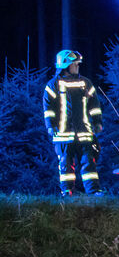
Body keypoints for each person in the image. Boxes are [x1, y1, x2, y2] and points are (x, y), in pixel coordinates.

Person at [42, 50, 103, 196]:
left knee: (89, 164)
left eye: (77, 64)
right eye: (74, 64)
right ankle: (67, 192)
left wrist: (97, 122)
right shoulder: (53, 85)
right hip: (63, 134)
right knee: (66, 166)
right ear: (65, 66)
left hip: (84, 133)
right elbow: (48, 109)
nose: (77, 67)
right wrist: (50, 126)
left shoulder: (85, 83)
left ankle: (93, 192)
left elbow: (94, 105)